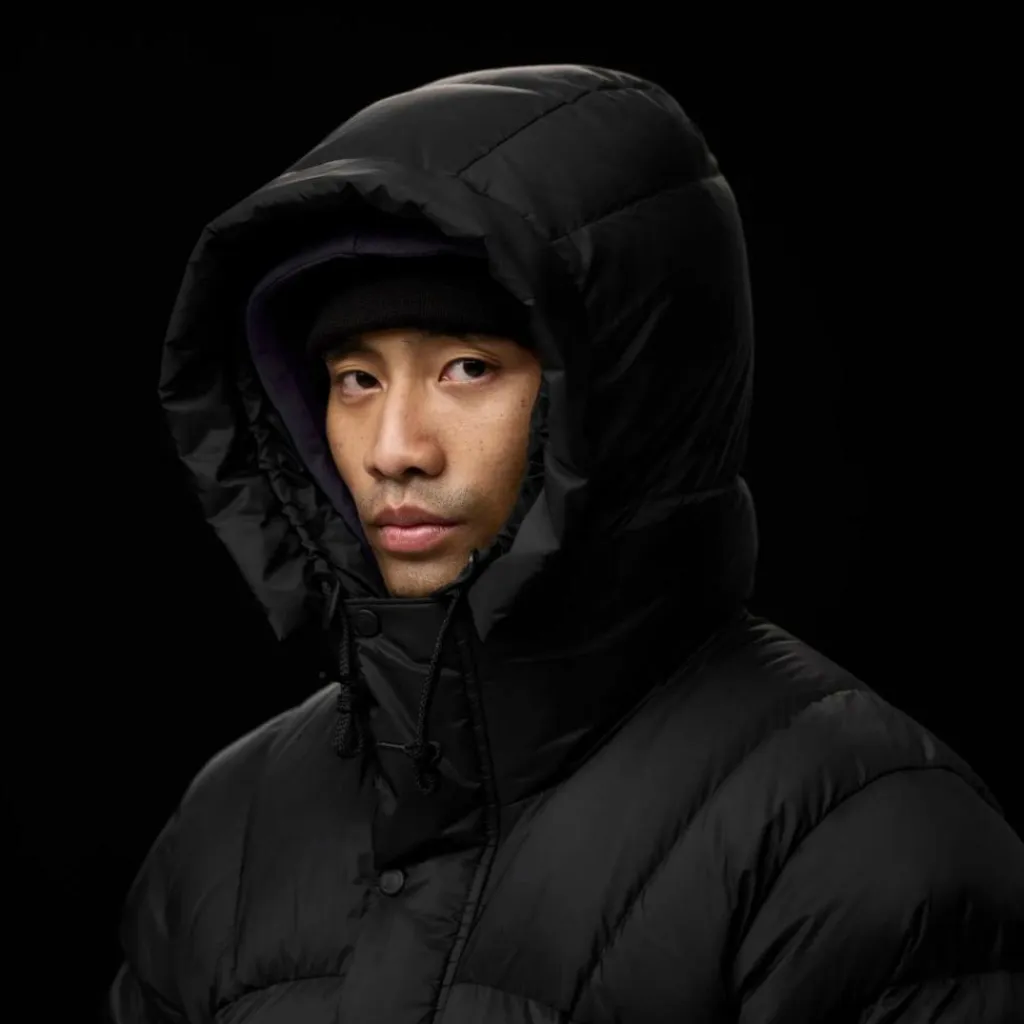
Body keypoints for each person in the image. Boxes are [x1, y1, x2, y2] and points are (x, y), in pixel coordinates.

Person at [108, 64, 1024, 1024]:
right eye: (356, 380)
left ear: (628, 393)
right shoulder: (231, 826)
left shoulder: (862, 834)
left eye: (468, 369)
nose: (394, 450)